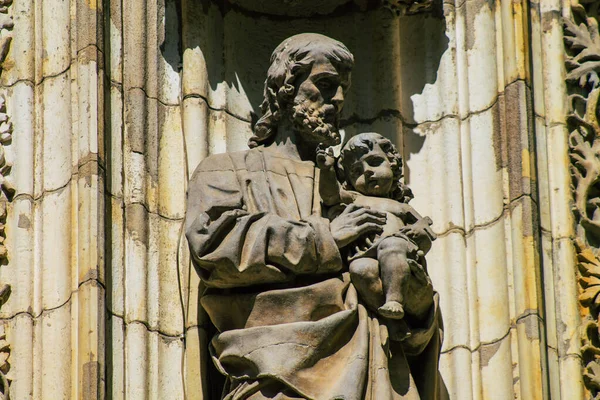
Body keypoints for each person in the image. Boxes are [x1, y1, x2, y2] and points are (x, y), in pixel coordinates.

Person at [185, 33, 446, 399]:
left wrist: (418, 309)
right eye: (325, 84)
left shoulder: (355, 189)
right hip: (276, 373)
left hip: (377, 368)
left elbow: (408, 309)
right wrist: (324, 238)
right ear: (286, 88)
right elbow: (215, 247)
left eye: (342, 89)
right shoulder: (226, 170)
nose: (337, 99)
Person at [316, 132, 437, 322]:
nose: (367, 172)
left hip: (396, 245)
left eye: (374, 161)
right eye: (356, 171)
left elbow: (425, 229)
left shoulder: (401, 207)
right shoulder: (357, 198)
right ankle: (389, 318)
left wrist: (418, 231)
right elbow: (331, 195)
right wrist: (327, 169)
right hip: (366, 252)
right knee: (359, 269)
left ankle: (394, 300)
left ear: (393, 163)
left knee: (392, 248)